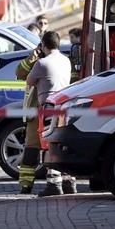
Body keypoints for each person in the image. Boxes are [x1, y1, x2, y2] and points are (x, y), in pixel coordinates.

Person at [26, 30, 75, 197]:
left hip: (48, 108)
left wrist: (37, 57)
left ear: (43, 45)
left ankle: (54, 184)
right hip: (65, 107)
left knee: (49, 145)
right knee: (63, 144)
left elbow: (29, 81)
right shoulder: (66, 60)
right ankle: (69, 181)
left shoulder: (42, 63)